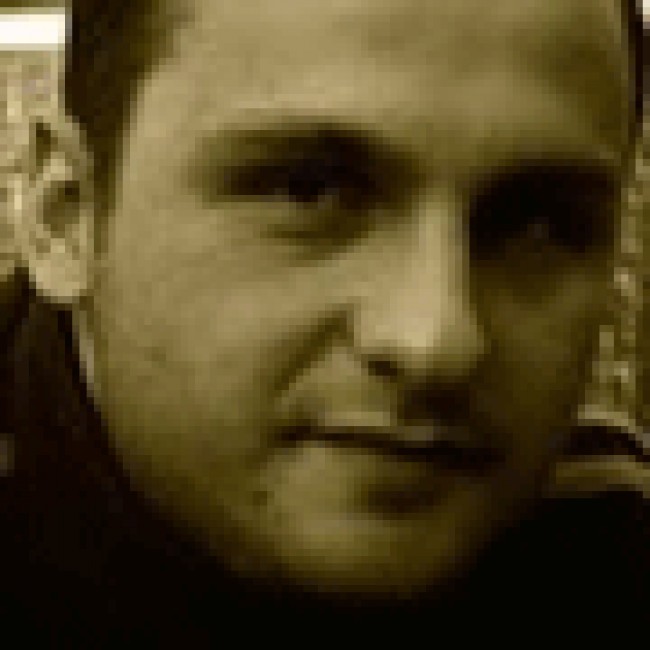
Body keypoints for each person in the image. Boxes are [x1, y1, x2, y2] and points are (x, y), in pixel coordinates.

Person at [0, 0, 647, 639]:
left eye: (539, 225)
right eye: (308, 191)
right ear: (66, 217)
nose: (436, 340)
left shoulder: (604, 542)